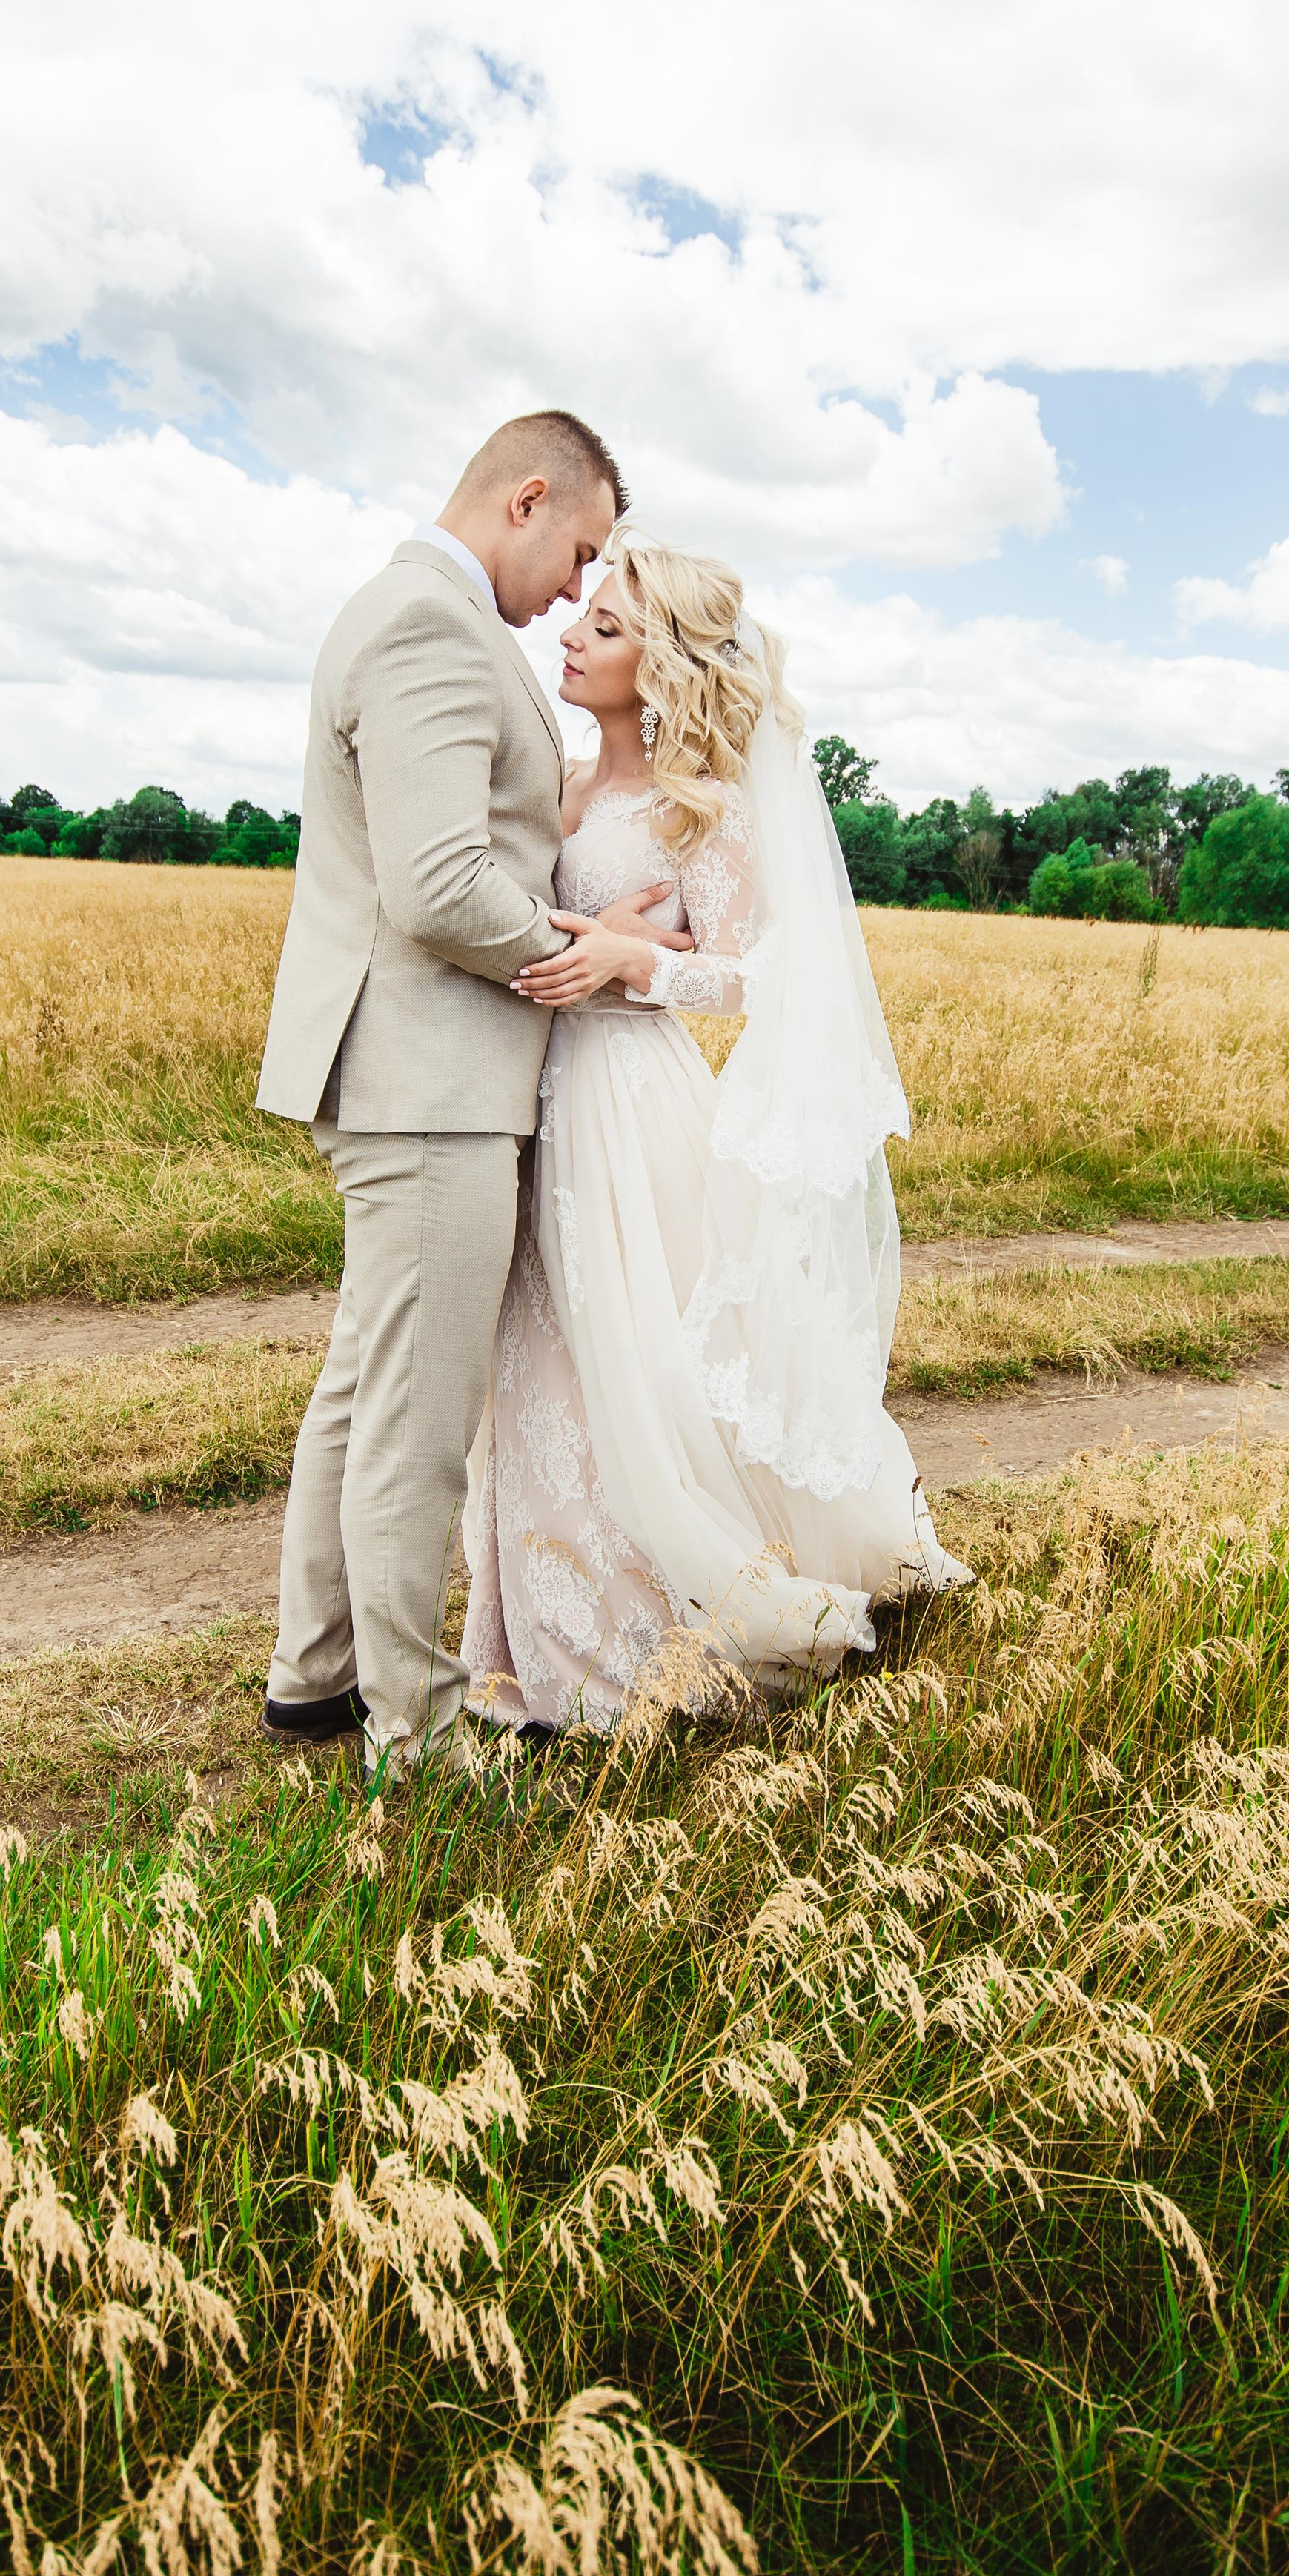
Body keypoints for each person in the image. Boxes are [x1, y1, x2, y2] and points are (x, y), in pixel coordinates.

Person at [462, 528, 971, 1732]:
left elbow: (756, 974)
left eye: (608, 628)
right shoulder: (567, 785)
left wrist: (639, 962)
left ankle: (655, 1622)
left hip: (631, 1101)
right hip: (531, 1091)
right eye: (581, 620)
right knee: (542, 1359)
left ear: (666, 662)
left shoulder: (706, 803)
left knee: (641, 1359)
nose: (572, 636)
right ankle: (526, 1625)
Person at [254, 416, 691, 1770]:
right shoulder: (433, 627)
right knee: (417, 1419)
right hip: (427, 1079)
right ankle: (420, 1723)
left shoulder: (404, 612)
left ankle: (314, 1673)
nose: (576, 588)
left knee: (363, 1384)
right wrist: (591, 952)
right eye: (578, 552)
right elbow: (439, 885)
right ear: (529, 494)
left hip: (407, 1070)